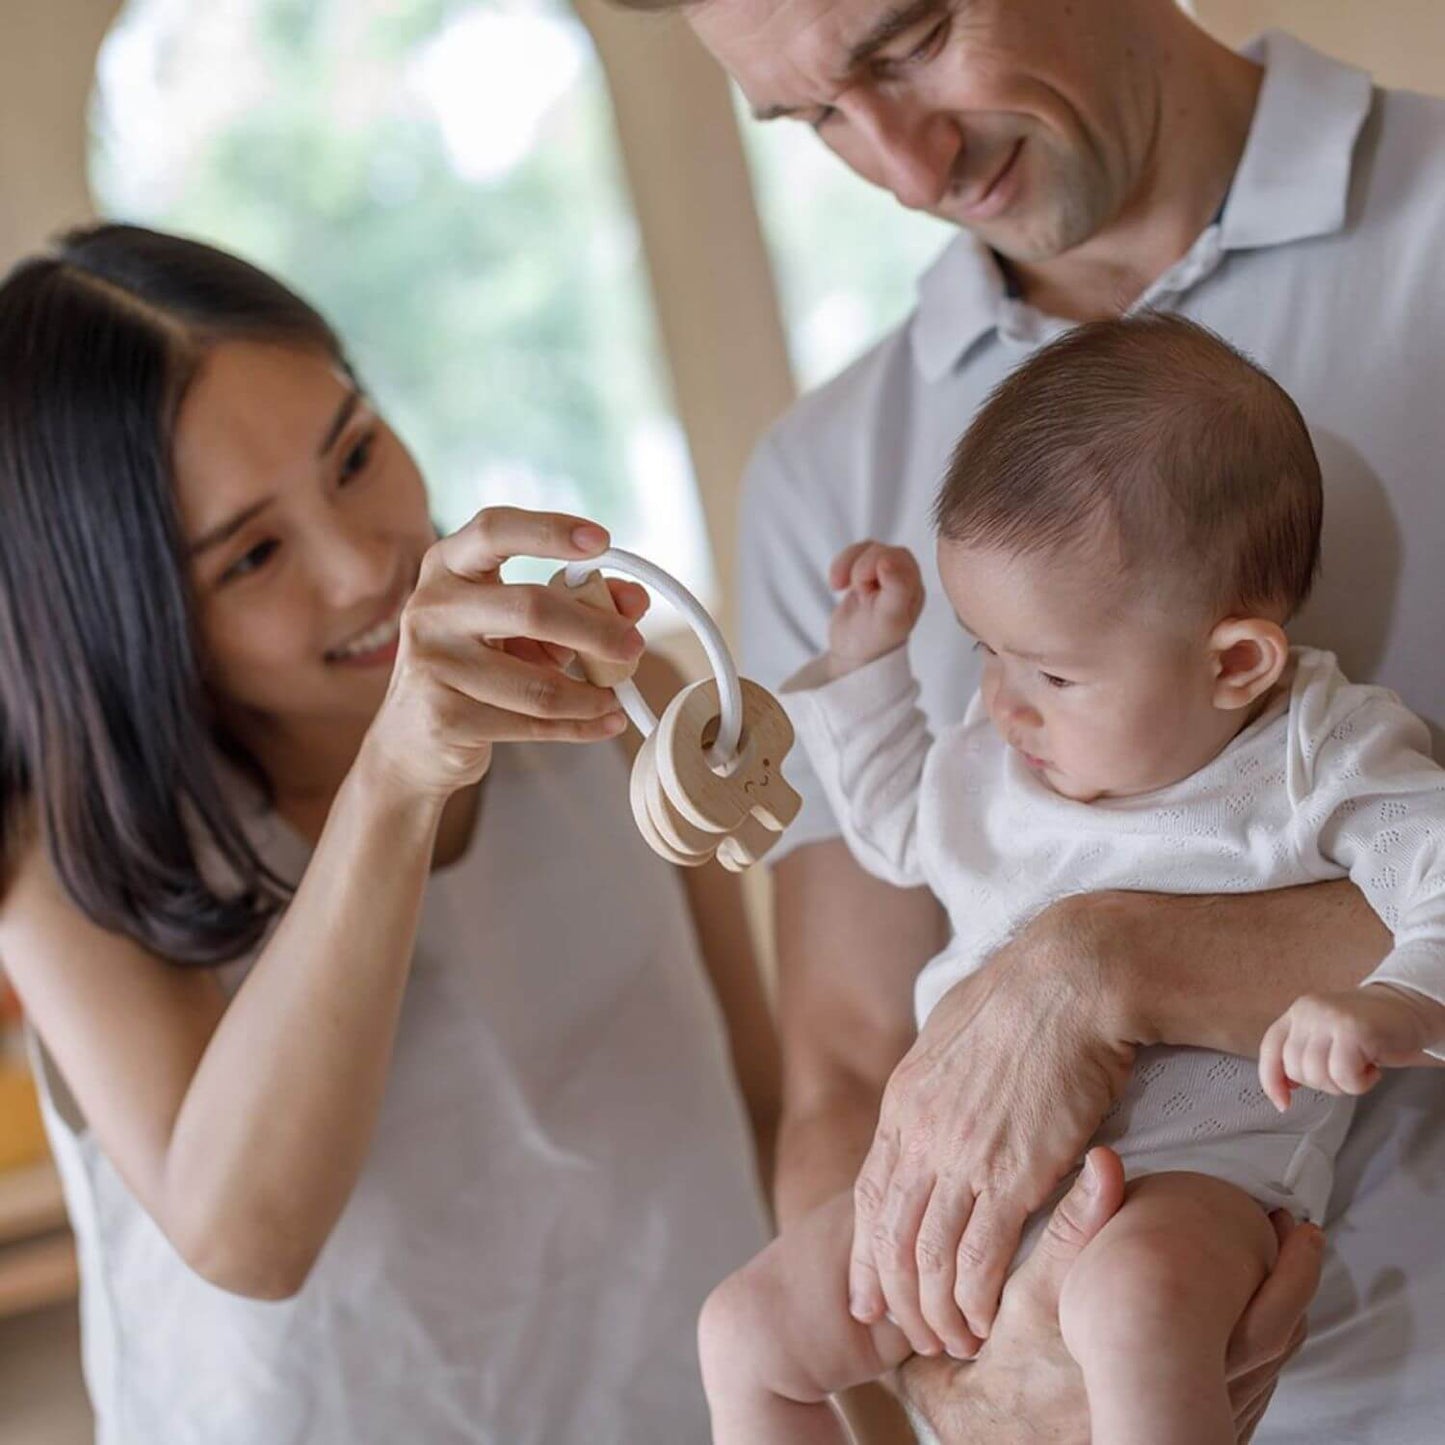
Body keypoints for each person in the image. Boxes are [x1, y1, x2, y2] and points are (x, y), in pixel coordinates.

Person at [609, 0, 1445, 1437]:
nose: (901, 162)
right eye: (810, 116)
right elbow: (847, 1060)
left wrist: (1110, 961)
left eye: (910, 40)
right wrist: (966, 1395)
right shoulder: (830, 466)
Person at [0, 223, 779, 1444]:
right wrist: (397, 776)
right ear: (132, 623)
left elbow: (765, 1108)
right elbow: (247, 1236)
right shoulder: (69, 871)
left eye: (355, 452)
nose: (366, 561)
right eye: (253, 552)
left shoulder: (632, 704)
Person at [697, 315, 1445, 1445]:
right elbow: (898, 824)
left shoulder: (1312, 751)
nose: (1002, 700)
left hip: (1194, 1180)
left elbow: (1433, 874)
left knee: (1133, 1307)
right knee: (741, 1327)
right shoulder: (1000, 762)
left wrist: (1393, 997)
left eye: (1049, 669)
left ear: (1232, 660)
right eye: (982, 648)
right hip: (964, 1193)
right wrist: (862, 675)